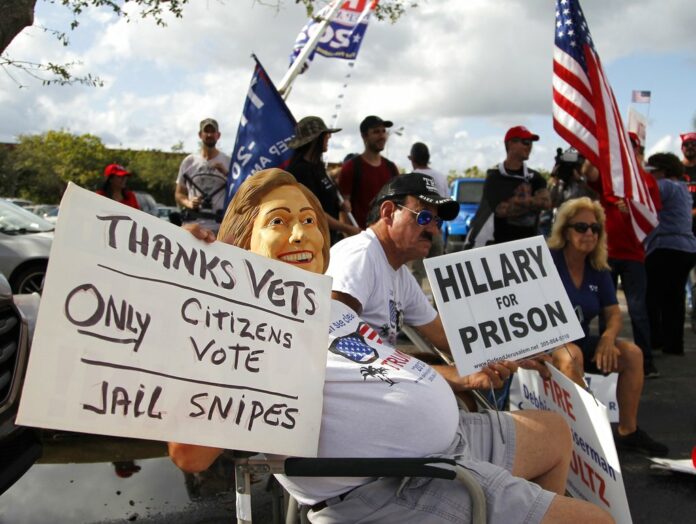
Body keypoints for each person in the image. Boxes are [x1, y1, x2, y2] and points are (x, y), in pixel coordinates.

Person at [168, 168, 612, 523]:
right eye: (279, 223)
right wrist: (209, 288)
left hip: (437, 450)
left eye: (309, 221)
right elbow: (190, 454)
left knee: (554, 432)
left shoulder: (338, 302)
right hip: (394, 482)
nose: (301, 235)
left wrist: (509, 350)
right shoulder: (256, 325)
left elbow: (447, 340)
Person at [548, 197, 668, 457]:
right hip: (547, 345)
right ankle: (583, 438)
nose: (589, 233)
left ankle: (628, 431)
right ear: (565, 230)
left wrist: (607, 338)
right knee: (572, 356)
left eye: (595, 228)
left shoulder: (598, 267)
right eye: (581, 227)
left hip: (578, 341)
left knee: (633, 355)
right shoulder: (547, 261)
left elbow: (613, 313)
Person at [583, 133, 662, 378]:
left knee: (637, 309)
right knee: (606, 310)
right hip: (606, 255)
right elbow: (588, 172)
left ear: (637, 151)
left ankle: (646, 362)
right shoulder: (609, 178)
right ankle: (604, 361)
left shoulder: (646, 181)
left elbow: (653, 214)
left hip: (633, 255)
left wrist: (634, 207)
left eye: (629, 147)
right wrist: (594, 145)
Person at [643, 153, 696, 355]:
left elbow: (644, 195)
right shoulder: (683, 188)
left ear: (661, 171)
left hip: (665, 247)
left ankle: (655, 339)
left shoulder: (663, 185)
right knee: (675, 298)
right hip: (687, 248)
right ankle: (674, 344)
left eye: (651, 172)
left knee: (652, 296)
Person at [465, 126, 551, 247]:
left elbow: (546, 203)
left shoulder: (535, 177)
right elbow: (500, 210)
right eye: (526, 142)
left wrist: (516, 202)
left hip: (530, 245)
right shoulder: (495, 176)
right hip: (500, 245)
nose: (530, 146)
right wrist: (533, 202)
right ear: (511, 144)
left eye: (531, 143)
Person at [286, 116, 360, 244]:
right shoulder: (299, 171)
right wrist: (347, 228)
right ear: (316, 139)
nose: (329, 137)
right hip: (312, 242)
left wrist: (340, 205)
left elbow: (324, 198)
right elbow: (313, 211)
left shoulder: (318, 167)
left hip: (327, 239)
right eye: (325, 134)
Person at [338, 115, 399, 229]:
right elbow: (344, 210)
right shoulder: (350, 168)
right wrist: (348, 235)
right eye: (376, 132)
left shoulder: (392, 168)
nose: (382, 136)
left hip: (389, 238)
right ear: (364, 136)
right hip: (362, 237)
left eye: (383, 131)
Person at [175, 118, 230, 231]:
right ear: (200, 134)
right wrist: (189, 203)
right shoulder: (189, 161)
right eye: (206, 131)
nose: (209, 134)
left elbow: (239, 191)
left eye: (212, 131)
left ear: (218, 135)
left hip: (219, 228)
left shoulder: (228, 162)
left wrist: (226, 173)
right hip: (192, 226)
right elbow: (179, 194)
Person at [408, 142, 449, 286]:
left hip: (417, 231)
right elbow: (446, 203)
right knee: (438, 274)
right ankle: (440, 308)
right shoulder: (441, 177)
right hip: (436, 230)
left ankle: (413, 308)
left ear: (412, 159)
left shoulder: (411, 177)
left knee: (416, 273)